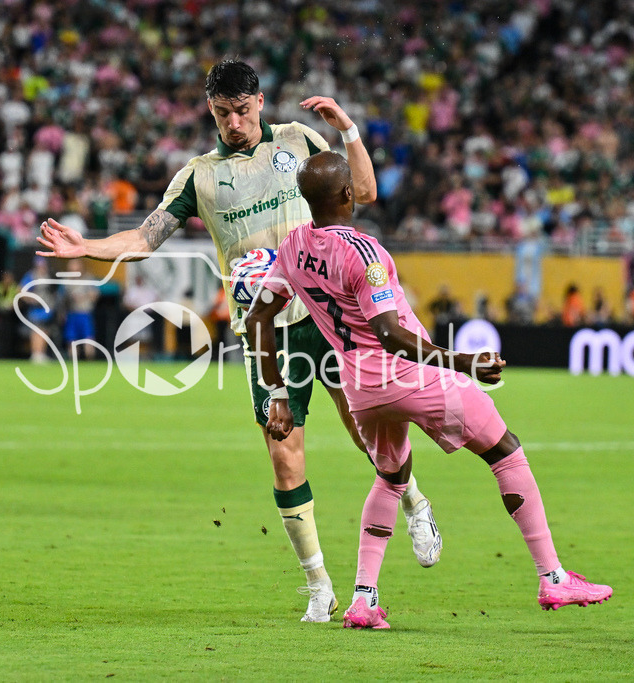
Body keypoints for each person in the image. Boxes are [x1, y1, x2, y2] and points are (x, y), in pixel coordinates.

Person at [35, 59, 442, 622]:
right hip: (266, 330)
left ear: (260, 102)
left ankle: (415, 502)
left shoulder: (299, 140)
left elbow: (365, 192)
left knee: (364, 430)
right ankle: (319, 585)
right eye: (223, 112)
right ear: (210, 109)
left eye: (243, 110)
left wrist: (348, 130)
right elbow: (146, 238)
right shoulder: (198, 176)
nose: (234, 122)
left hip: (329, 315)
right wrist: (87, 247)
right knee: (284, 455)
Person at [246, 151, 612, 629]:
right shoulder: (365, 252)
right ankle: (553, 577)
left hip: (359, 390)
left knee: (391, 477)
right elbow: (388, 333)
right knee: (505, 451)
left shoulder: (293, 246)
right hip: (409, 377)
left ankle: (364, 599)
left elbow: (257, 317)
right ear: (348, 194)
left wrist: (276, 391)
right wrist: (463, 362)